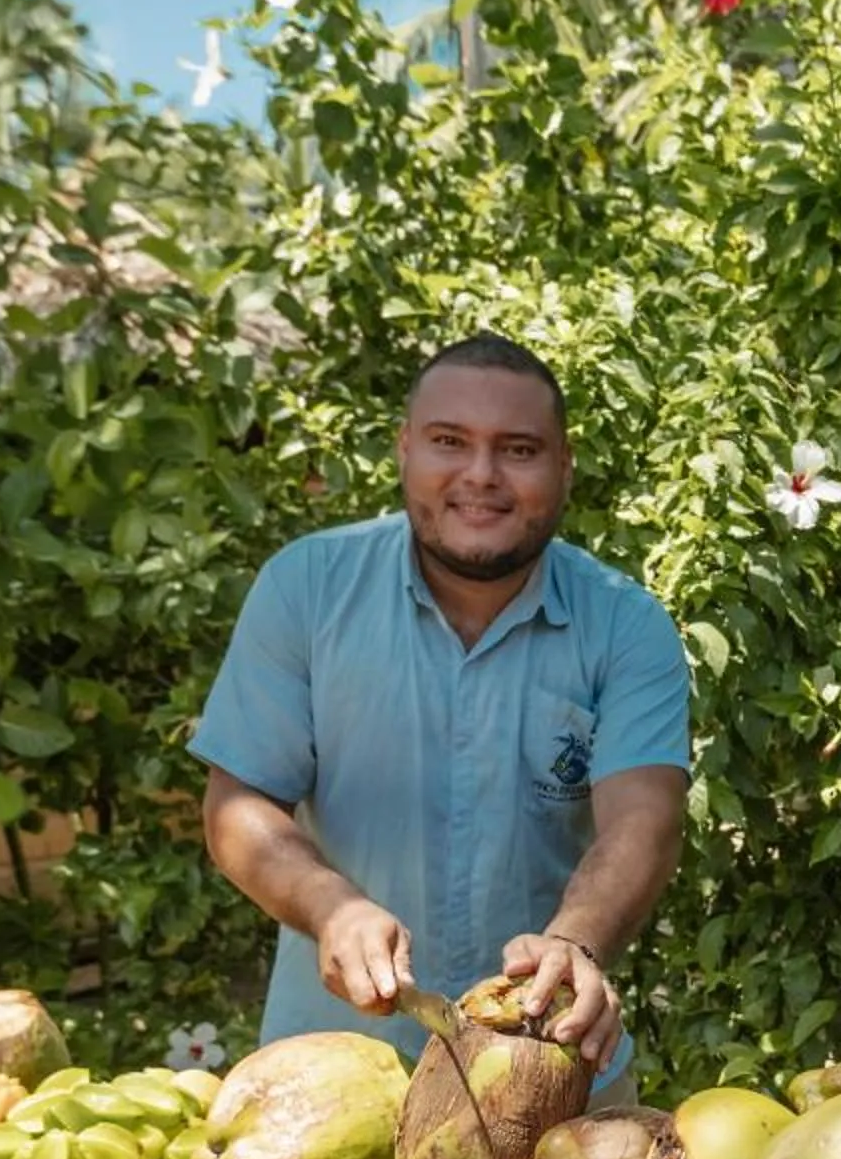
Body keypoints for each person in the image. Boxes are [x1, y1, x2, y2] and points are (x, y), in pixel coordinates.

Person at [191, 334, 692, 1105]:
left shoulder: (626, 624)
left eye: (518, 449)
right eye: (449, 442)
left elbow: (644, 823)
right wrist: (334, 907)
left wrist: (571, 941)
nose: (480, 476)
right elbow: (237, 806)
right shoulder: (306, 588)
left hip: (550, 1073)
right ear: (404, 450)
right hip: (327, 1081)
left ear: (564, 466)